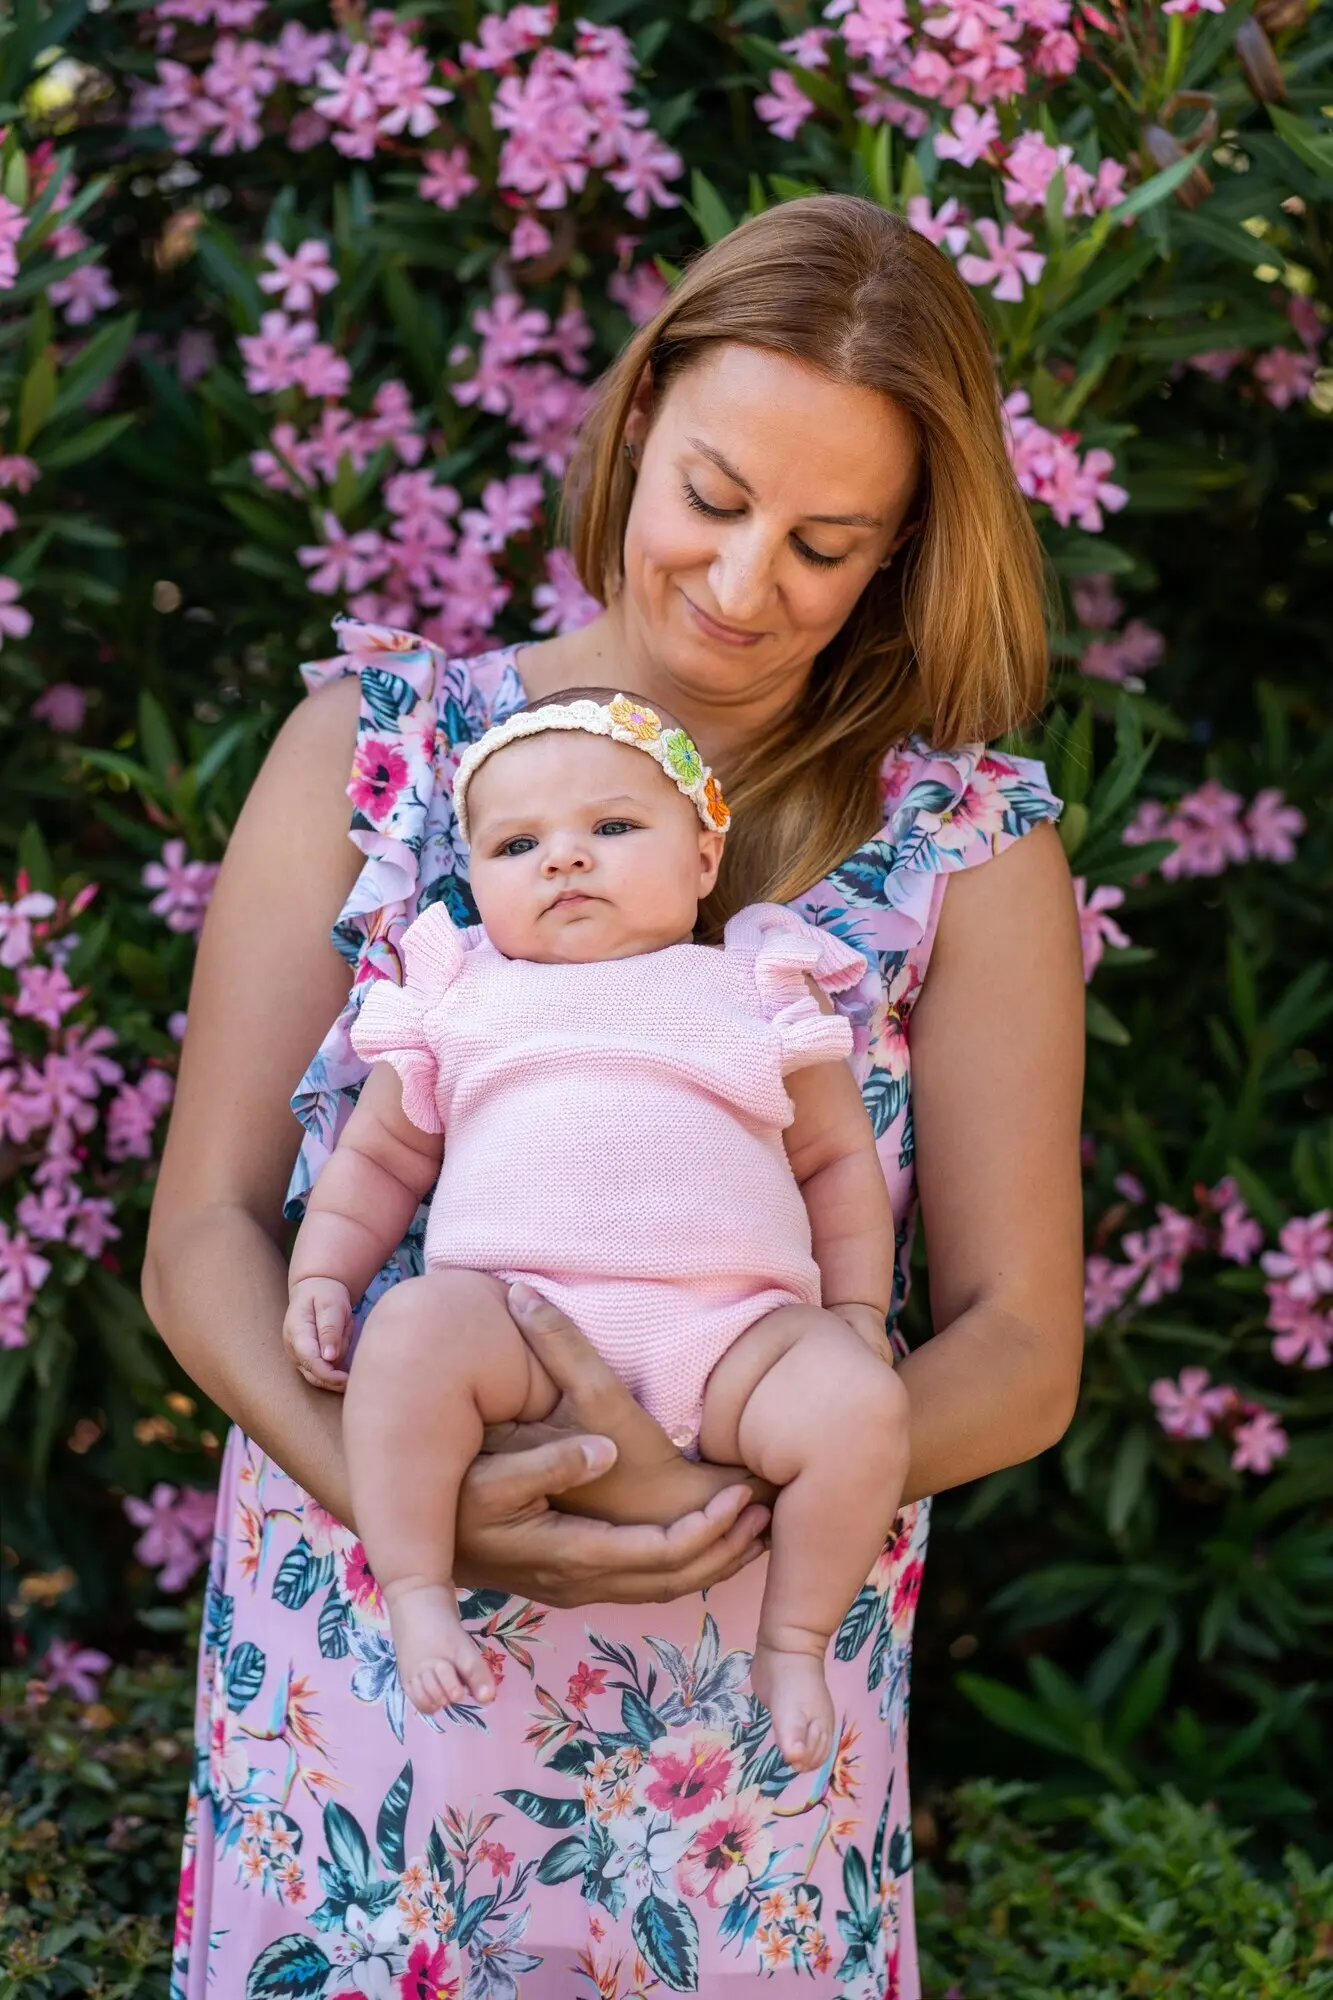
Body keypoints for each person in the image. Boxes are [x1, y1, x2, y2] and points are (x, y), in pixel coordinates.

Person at [146, 193, 1085, 1999]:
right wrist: (408, 1504)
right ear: (638, 418)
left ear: (900, 549)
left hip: (739, 1753)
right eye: (713, 499)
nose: (741, 586)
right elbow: (202, 1237)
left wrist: (699, 1488)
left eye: (823, 544)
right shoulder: (375, 753)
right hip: (367, 1690)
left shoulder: (961, 849)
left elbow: (1022, 1349)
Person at [284, 689, 905, 1768]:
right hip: (514, 1326)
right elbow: (379, 1159)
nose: (565, 858)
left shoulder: (754, 983)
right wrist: (322, 1273)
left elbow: (834, 1161)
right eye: (517, 844)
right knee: (412, 1329)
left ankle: (795, 1639)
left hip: (736, 1338)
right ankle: (418, 1588)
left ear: (704, 857)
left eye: (611, 826)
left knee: (860, 1402)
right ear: (474, 879)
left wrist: (853, 1309)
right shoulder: (460, 992)